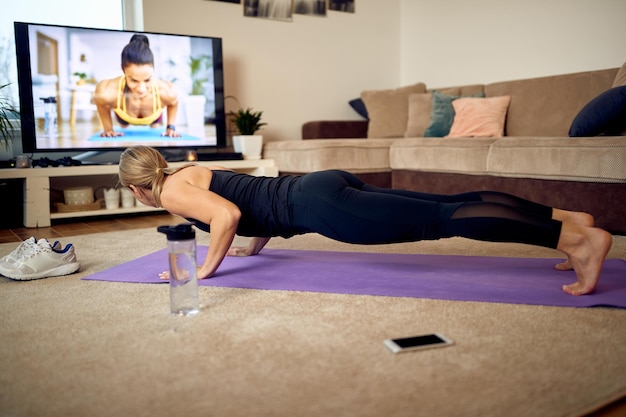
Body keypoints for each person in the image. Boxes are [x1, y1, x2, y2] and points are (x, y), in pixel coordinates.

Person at [118, 145, 612, 296]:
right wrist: (252, 246)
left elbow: (225, 215)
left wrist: (206, 269)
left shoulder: (171, 194)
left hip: (321, 208)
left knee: (442, 219)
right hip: (318, 184)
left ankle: (573, 240)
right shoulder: (190, 171)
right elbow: (248, 201)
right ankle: (570, 216)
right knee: (450, 200)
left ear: (139, 186)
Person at [94, 34, 180, 138]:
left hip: (154, 117)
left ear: (153, 69)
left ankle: (154, 123)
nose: (141, 89)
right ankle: (124, 123)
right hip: (124, 117)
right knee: (123, 126)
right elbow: (100, 102)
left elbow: (173, 103)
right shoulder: (107, 91)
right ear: (123, 70)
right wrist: (108, 129)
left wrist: (171, 127)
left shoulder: (167, 90)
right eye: (134, 80)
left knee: (155, 125)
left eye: (147, 79)